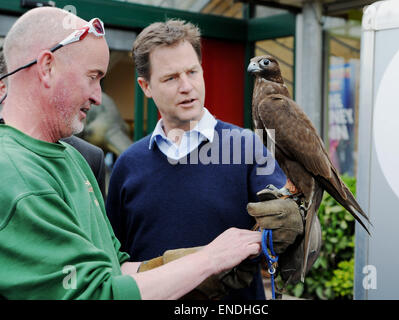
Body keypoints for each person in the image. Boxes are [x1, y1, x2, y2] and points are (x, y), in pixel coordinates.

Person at [0, 7, 262, 300]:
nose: (98, 96)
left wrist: (196, 264)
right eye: (92, 77)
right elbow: (99, 294)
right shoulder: (12, 174)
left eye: (192, 72)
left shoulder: (75, 159)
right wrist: (209, 260)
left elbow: (116, 268)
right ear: (47, 67)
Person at [106, 19, 313, 300]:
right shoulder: (128, 164)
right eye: (170, 78)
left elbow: (294, 241)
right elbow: (112, 263)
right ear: (146, 86)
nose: (187, 86)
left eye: (192, 72)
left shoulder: (249, 147)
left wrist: (296, 225)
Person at [0, 50, 107, 199]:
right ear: (2, 89)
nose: (97, 98)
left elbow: (97, 221)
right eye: (91, 77)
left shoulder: (88, 157)